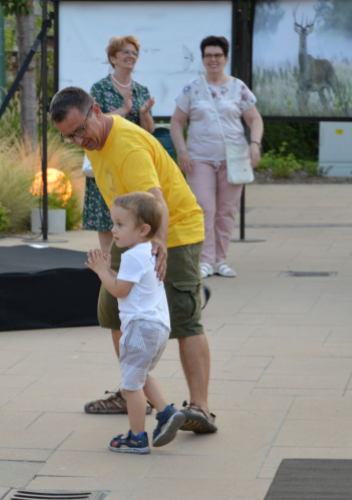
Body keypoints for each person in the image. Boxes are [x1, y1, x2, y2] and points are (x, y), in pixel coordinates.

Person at [51, 86, 218, 435]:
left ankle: (200, 407)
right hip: (131, 234)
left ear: (96, 110)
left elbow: (156, 202)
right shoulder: (94, 141)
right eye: (70, 137)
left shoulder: (128, 147)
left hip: (173, 233)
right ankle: (133, 388)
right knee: (112, 312)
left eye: (81, 130)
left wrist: (159, 241)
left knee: (186, 319)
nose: (80, 141)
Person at [85, 192, 185, 454]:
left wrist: (102, 272)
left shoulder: (131, 256)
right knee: (139, 374)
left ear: (143, 229)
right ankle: (167, 412)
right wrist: (110, 272)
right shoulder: (148, 253)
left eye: (120, 224)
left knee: (131, 384)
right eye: (113, 223)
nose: (113, 230)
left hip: (140, 329)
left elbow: (119, 290)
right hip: (158, 328)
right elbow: (131, 283)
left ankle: (137, 437)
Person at [170, 36, 264, 279]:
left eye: (218, 55)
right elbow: (177, 122)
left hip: (234, 158)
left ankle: (221, 260)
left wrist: (254, 144)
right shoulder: (192, 87)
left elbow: (254, 119)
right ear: (202, 59)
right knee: (203, 208)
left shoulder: (238, 87)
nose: (213, 59)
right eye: (208, 55)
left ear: (226, 59)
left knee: (226, 210)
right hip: (199, 158)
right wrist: (181, 150)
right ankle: (205, 260)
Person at [83, 35, 156, 255]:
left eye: (134, 53)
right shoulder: (100, 88)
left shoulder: (141, 90)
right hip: (105, 162)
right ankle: (110, 278)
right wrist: (124, 109)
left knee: (134, 222)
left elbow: (149, 131)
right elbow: (92, 124)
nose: (131, 56)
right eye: (125, 52)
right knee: (107, 227)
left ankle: (131, 275)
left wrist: (143, 114)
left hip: (130, 163)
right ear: (113, 58)